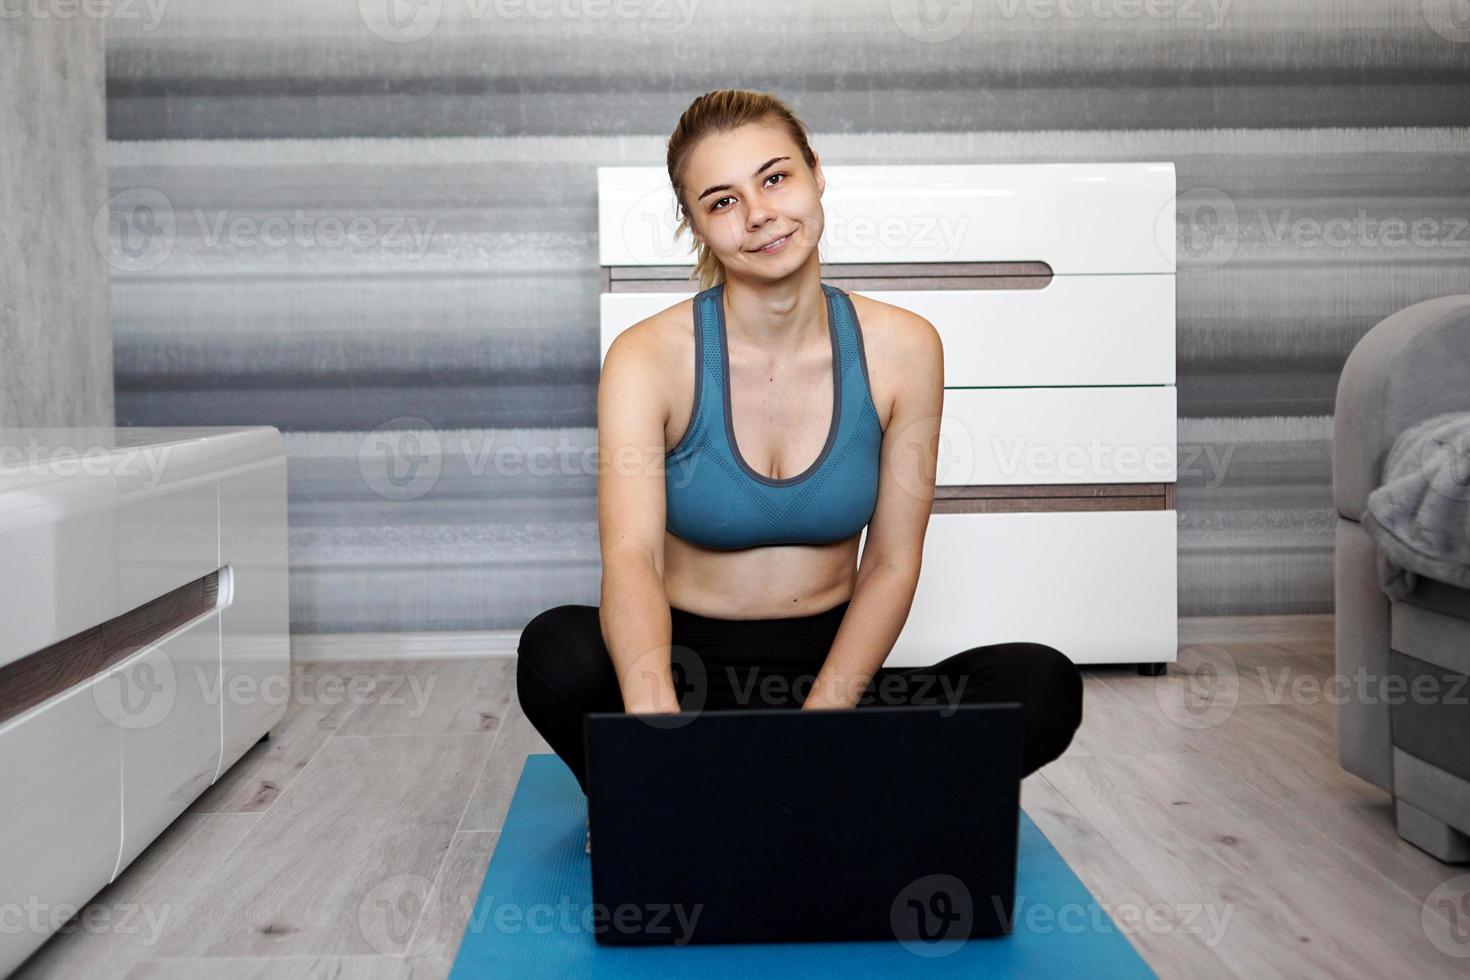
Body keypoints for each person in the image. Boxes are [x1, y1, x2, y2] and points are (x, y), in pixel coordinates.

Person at [516, 90, 1083, 852]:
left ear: (816, 175)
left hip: (830, 679)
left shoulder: (906, 348)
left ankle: (745, 798)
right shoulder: (648, 358)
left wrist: (820, 729)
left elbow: (890, 561)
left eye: (775, 178)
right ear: (697, 225)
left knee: (1040, 682)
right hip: (685, 675)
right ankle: (764, 797)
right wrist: (651, 732)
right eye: (723, 200)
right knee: (556, 649)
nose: (758, 213)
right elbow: (632, 560)